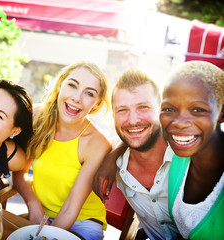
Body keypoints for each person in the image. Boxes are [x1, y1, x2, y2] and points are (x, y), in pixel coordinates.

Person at [13, 61, 112, 240]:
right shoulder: (36, 117)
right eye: (72, 85)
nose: (76, 98)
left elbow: (70, 210)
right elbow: (19, 175)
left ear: (96, 104)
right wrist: (34, 207)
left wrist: (45, 236)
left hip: (82, 223)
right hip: (40, 215)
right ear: (60, 85)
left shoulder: (97, 144)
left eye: (89, 93)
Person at [92, 69, 180, 240]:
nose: (133, 120)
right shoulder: (114, 161)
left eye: (143, 107)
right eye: (122, 110)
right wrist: (110, 158)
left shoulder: (189, 152)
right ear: (113, 116)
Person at [160, 61, 224, 239]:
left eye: (197, 109)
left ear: (222, 112)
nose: (179, 122)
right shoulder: (180, 145)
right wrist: (111, 157)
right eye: (169, 109)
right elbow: (140, 130)